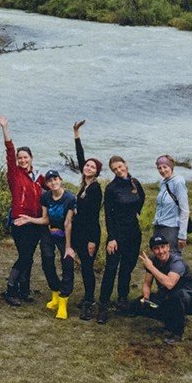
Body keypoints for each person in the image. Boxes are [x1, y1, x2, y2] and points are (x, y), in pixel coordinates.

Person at [0, 114, 44, 307]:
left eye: (26, 157)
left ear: (31, 158)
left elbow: (53, 193)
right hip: (19, 221)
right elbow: (9, 150)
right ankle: (10, 290)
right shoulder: (14, 174)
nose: (22, 160)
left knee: (29, 257)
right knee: (24, 256)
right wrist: (5, 128)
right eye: (20, 158)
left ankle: (24, 289)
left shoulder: (39, 178)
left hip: (35, 222)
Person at [98, 154, 145, 323]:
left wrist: (135, 214)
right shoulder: (111, 188)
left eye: (120, 166)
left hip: (134, 232)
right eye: (115, 169)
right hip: (117, 235)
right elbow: (108, 215)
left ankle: (122, 299)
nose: (119, 170)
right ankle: (103, 305)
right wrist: (111, 238)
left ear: (126, 164)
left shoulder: (135, 183)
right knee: (111, 269)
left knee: (127, 267)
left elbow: (141, 199)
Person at [133, 233, 192, 342]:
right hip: (165, 296)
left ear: (168, 247)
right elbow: (147, 283)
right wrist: (146, 298)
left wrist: (151, 267)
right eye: (156, 248)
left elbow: (169, 283)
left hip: (187, 299)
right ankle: (169, 319)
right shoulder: (152, 260)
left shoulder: (177, 263)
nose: (161, 251)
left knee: (176, 297)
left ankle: (177, 333)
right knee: (137, 304)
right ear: (152, 250)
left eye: (163, 247)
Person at [70, 120, 103, 320]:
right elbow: (80, 157)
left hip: (89, 234)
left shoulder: (96, 188)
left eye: (92, 166)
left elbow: (92, 216)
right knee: (83, 266)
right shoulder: (85, 185)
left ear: (97, 172)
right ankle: (87, 297)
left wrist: (92, 241)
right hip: (79, 232)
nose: (88, 167)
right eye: (87, 165)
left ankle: (90, 301)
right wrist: (76, 133)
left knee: (88, 268)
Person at [37, 169, 78, 319]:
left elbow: (68, 223)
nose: (53, 183)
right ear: (46, 184)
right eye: (49, 181)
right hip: (49, 232)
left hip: (65, 234)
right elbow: (45, 219)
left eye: (55, 179)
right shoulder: (45, 197)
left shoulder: (70, 198)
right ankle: (55, 293)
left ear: (60, 180)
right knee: (47, 259)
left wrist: (68, 247)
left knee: (67, 262)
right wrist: (28, 219)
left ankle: (63, 302)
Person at [153, 154, 189, 253]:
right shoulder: (163, 183)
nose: (162, 170)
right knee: (159, 256)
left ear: (171, 167)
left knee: (172, 256)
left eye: (165, 167)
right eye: (159, 168)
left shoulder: (178, 182)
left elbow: (185, 210)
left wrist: (182, 236)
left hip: (171, 227)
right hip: (159, 225)